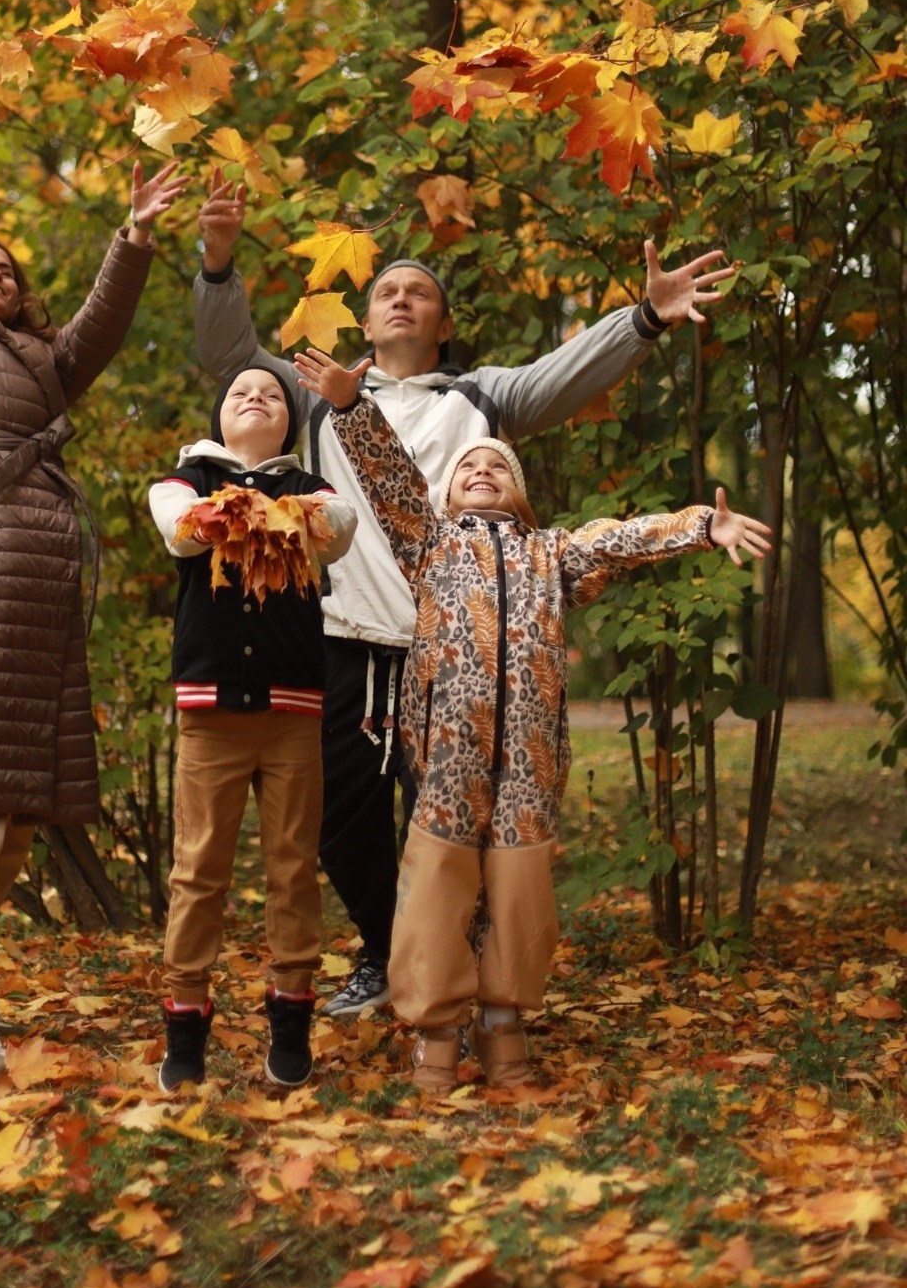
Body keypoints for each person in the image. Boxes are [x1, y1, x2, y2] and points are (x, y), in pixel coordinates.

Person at [194, 171, 737, 1015]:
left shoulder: (482, 397)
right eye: (386, 292)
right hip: (343, 635)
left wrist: (645, 317)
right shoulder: (317, 394)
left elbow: (565, 372)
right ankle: (389, 954)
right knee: (336, 815)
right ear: (365, 322)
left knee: (446, 822)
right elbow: (233, 364)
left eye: (419, 293)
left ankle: (454, 976)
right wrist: (218, 264)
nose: (401, 300)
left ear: (443, 325)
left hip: (456, 650)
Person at [294, 348, 772, 1092]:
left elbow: (620, 537)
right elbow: (390, 476)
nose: (483, 470)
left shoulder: (552, 555)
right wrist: (351, 408)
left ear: (520, 494)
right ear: (447, 491)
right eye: (469, 466)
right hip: (448, 754)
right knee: (437, 888)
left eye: (500, 466)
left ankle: (504, 1024)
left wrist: (702, 525)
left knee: (520, 895)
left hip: (530, 759)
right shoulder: (428, 544)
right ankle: (436, 1033)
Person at [0, 45, 186, 1081]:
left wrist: (132, 237)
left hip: (35, 582)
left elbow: (96, 332)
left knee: (17, 795)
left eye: (5, 271)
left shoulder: (37, 365)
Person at [148, 365, 357, 1092]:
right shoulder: (184, 479)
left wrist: (249, 514)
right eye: (241, 392)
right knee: (198, 869)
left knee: (293, 867)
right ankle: (185, 1023)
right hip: (210, 712)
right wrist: (257, 516)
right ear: (220, 414)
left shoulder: (313, 486)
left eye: (271, 394)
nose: (256, 399)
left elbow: (336, 531)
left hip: (293, 709)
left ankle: (290, 1014)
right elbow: (182, 534)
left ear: (290, 420)